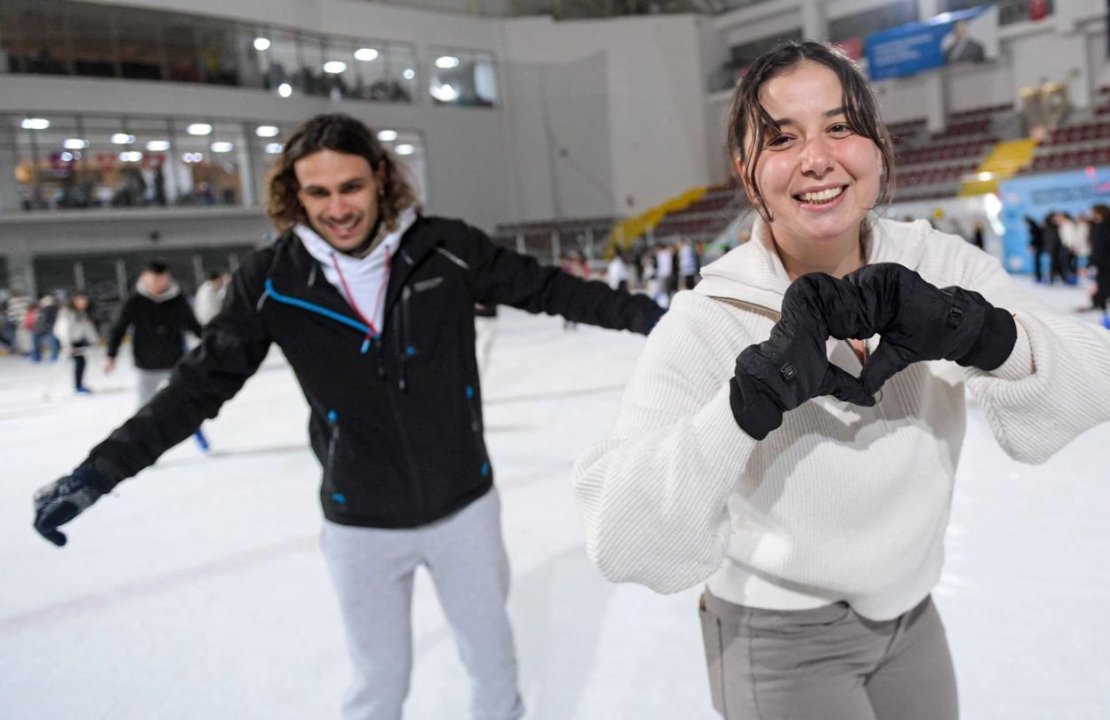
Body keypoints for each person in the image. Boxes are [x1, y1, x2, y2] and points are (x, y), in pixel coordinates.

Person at [33, 113, 662, 720]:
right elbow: (195, 389)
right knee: (377, 687)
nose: (338, 208)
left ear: (381, 177)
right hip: (360, 524)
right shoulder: (273, 280)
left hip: (463, 507)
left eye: (351, 186)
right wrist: (97, 473)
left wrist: (662, 320)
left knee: (493, 672)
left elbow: (552, 289)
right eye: (319, 193)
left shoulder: (445, 249)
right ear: (295, 194)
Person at [569, 41, 1110, 720]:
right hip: (778, 635)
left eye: (839, 127)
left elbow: (1100, 385)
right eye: (782, 138)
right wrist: (746, 404)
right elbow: (619, 532)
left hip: (911, 616)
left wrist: (978, 331)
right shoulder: (708, 317)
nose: (817, 158)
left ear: (878, 146)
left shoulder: (936, 264)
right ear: (747, 173)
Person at [105, 261, 204, 409]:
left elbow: (192, 325)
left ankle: (186, 424)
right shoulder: (134, 301)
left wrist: (211, 340)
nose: (159, 284)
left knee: (183, 402)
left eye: (163, 279)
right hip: (146, 364)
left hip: (175, 361)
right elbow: (119, 328)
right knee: (145, 406)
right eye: (154, 279)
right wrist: (111, 355)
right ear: (144, 278)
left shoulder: (177, 299)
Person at [1087, 204, 1110, 329]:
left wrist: (1093, 261)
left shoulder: (1107, 227)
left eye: (1094, 212)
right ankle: (1109, 316)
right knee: (1104, 290)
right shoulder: (1097, 226)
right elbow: (1095, 247)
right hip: (1103, 263)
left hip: (1108, 263)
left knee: (1108, 289)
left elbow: (1104, 246)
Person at [54, 291, 100, 394]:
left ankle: (79, 385)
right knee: (79, 362)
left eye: (85, 301)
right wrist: (66, 344)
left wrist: (94, 340)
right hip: (66, 340)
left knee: (82, 361)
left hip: (76, 340)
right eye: (81, 300)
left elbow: (88, 328)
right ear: (75, 301)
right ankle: (78, 387)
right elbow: (62, 329)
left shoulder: (82, 313)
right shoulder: (66, 312)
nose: (84, 303)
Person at [30, 294, 61, 363]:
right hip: (43, 329)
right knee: (37, 339)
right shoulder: (44, 310)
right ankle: (37, 356)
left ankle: (39, 356)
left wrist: (45, 327)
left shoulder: (51, 309)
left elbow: (48, 320)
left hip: (49, 329)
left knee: (52, 341)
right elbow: (40, 320)